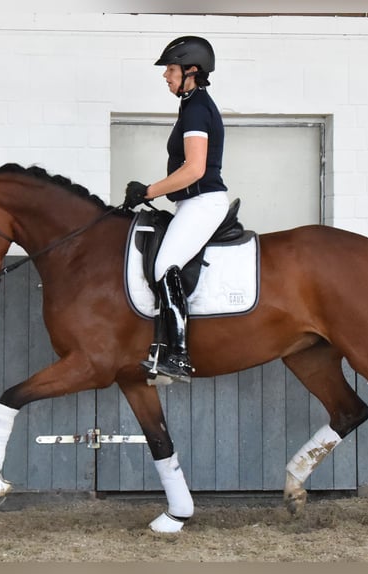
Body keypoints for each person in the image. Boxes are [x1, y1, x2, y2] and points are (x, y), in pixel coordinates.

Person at [124, 35, 229, 384]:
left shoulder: (198, 107)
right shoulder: (191, 104)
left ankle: (179, 355)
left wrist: (147, 191)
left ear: (192, 70)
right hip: (191, 202)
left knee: (163, 266)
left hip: (203, 202)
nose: (165, 76)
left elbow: (195, 169)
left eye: (171, 69)